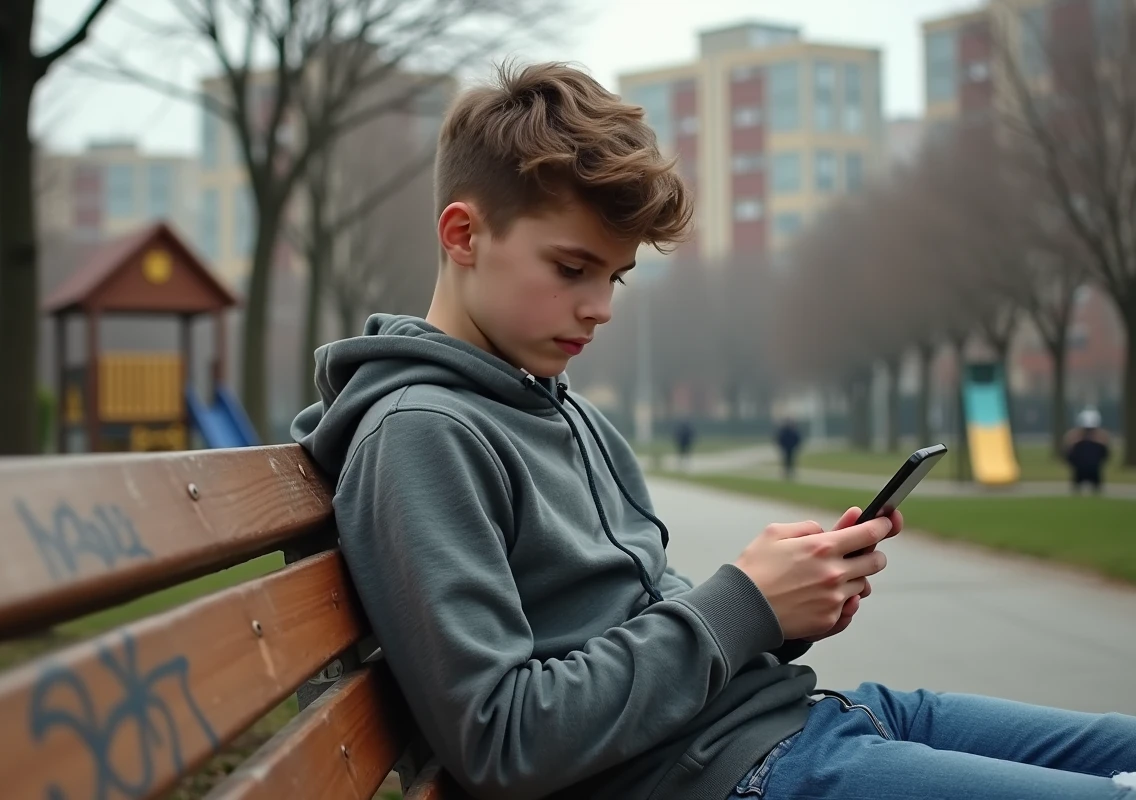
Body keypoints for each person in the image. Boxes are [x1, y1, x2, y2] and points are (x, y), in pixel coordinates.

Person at [292, 62, 1135, 800]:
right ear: (463, 234)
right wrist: (743, 604)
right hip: (722, 772)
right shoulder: (421, 435)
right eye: (572, 268)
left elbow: (641, 629)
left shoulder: (560, 407)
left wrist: (783, 609)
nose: (601, 308)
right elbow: (503, 739)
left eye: (616, 276)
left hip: (777, 724)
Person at [1064, 407, 1111, 495]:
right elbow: (1105, 456)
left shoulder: (1075, 441)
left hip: (1085, 472)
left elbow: (1068, 457)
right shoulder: (1100, 441)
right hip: (1090, 471)